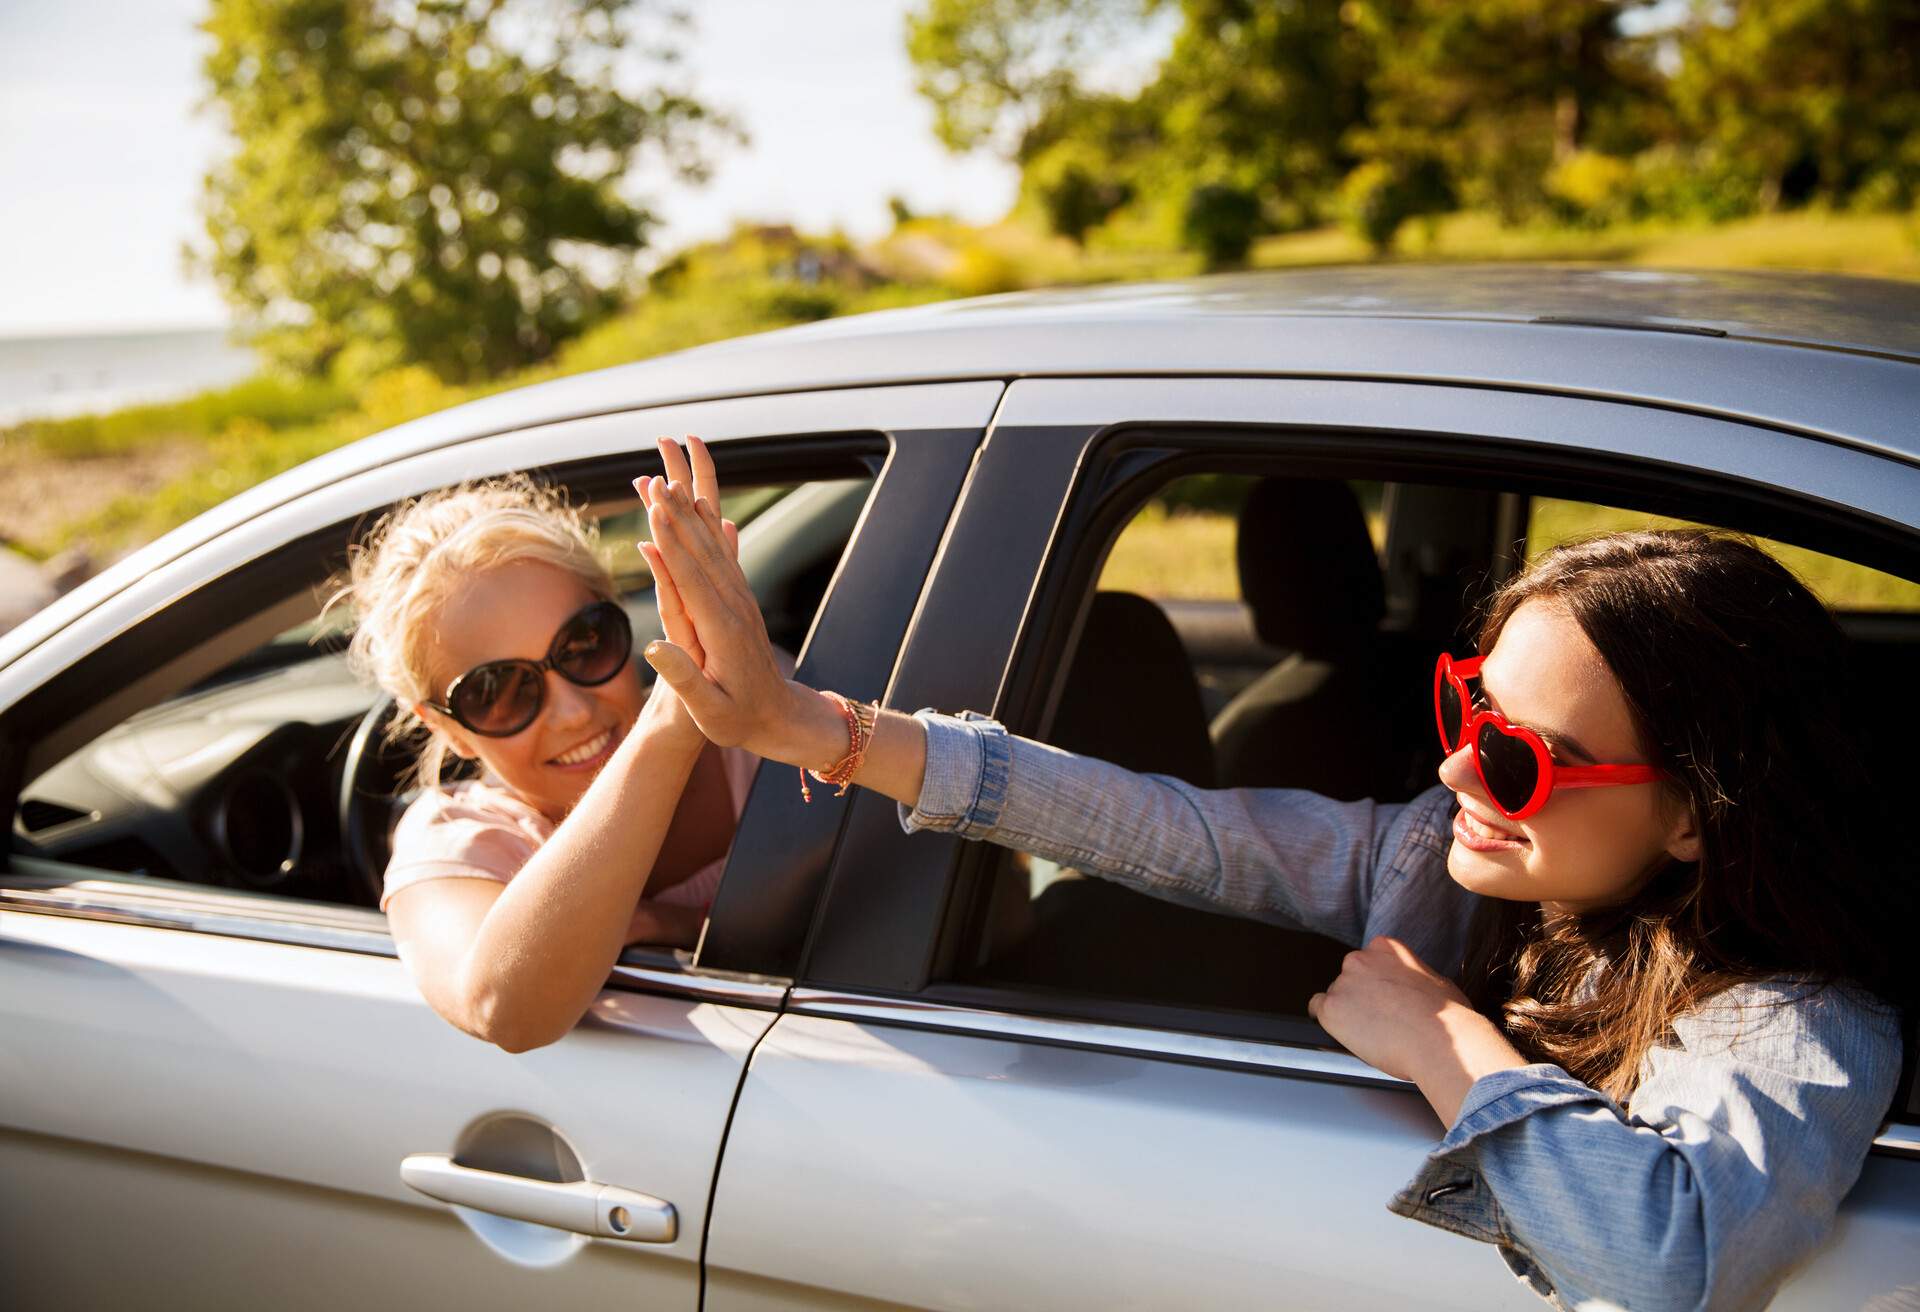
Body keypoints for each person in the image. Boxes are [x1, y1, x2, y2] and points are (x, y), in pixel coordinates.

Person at [633, 462, 1914, 1311]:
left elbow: (1670, 1258)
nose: (1458, 760)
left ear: (1692, 811)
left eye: (1524, 756)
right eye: (1470, 702)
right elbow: (1169, 829)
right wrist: (817, 729)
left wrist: (1442, 1039)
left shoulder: (1798, 1017)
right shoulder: (1436, 856)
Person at [332, 451, 764, 1052]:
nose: (574, 711)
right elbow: (505, 1013)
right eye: (499, 691)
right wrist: (671, 724)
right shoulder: (459, 841)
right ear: (447, 728)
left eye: (584, 644)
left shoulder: (760, 721)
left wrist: (666, 925)